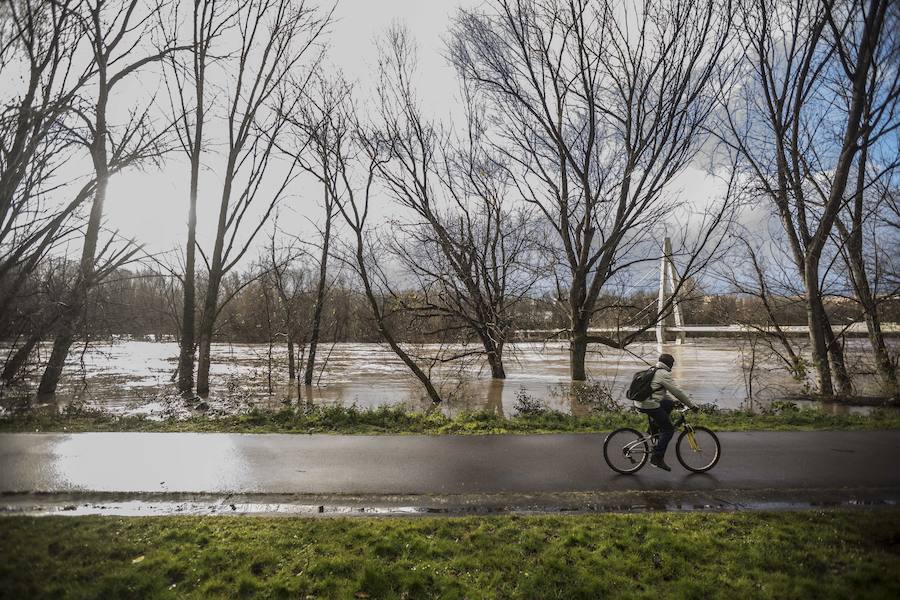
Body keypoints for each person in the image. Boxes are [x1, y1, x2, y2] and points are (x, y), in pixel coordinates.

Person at [631, 353, 697, 471]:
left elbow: (660, 392)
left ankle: (654, 429)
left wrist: (675, 402)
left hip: (640, 402)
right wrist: (691, 405)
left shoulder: (653, 369)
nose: (672, 367)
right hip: (649, 404)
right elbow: (677, 391)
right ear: (669, 364)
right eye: (672, 364)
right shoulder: (663, 374)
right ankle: (657, 458)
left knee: (669, 404)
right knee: (668, 430)